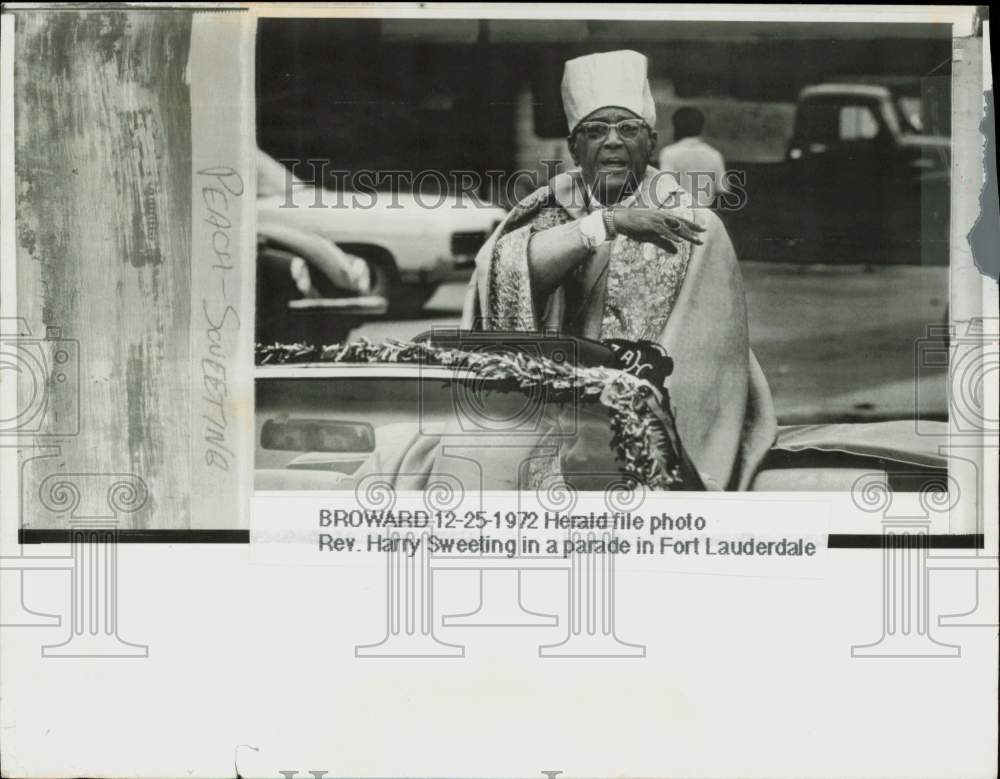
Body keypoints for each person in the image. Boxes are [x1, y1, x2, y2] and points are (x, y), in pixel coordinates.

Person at [460, 50, 775, 490]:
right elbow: (505, 272)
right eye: (594, 130)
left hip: (649, 426)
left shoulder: (696, 225)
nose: (612, 141)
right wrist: (605, 224)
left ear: (651, 143)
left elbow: (701, 369)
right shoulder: (547, 208)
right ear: (574, 147)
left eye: (627, 129)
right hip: (552, 420)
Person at [658, 106, 728, 207]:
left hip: (679, 216)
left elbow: (665, 189)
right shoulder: (714, 155)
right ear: (701, 127)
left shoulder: (669, 153)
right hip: (706, 217)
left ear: (676, 127)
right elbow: (723, 190)